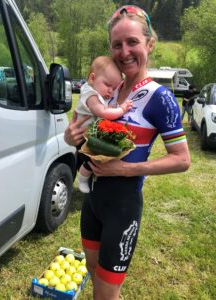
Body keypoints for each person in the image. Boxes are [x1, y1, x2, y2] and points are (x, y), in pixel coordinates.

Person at [64, 5, 190, 300]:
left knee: (106, 293)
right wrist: (71, 138)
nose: (124, 51)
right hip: (92, 202)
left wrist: (124, 170)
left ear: (150, 43)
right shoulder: (109, 90)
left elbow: (182, 160)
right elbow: (84, 138)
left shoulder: (161, 98)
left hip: (123, 207)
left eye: (132, 42)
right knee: (95, 277)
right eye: (116, 44)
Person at [75, 56, 133, 193]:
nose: (110, 91)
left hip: (88, 134)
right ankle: (82, 179)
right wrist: (122, 109)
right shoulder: (91, 95)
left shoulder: (96, 92)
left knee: (98, 157)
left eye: (114, 88)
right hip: (82, 137)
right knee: (92, 160)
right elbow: (103, 113)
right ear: (92, 78)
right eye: (107, 85)